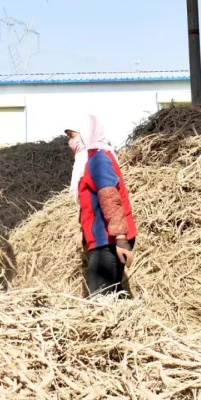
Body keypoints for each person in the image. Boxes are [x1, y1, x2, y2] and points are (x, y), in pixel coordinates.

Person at [65, 114, 137, 296]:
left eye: (73, 136)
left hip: (108, 240)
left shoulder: (98, 159)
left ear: (87, 133)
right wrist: (83, 229)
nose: (70, 142)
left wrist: (121, 238)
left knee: (101, 299)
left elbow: (109, 196)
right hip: (104, 237)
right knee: (109, 296)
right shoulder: (91, 159)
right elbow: (91, 200)